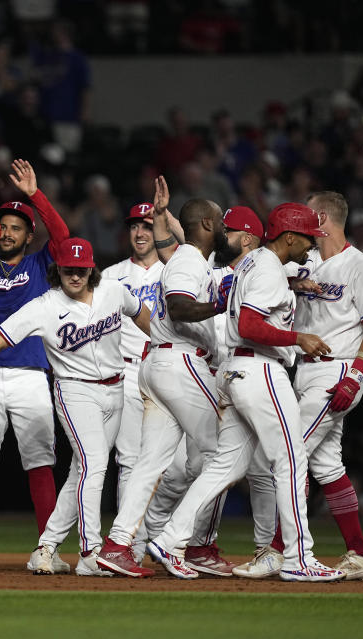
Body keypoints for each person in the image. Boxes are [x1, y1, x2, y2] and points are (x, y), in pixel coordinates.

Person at [146, 202, 346, 582]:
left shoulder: (254, 264)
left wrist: (291, 284)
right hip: (260, 369)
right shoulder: (267, 266)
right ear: (289, 236)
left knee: (226, 464)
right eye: (307, 239)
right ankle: (298, 557)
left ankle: (170, 538)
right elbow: (253, 324)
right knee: (291, 459)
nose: (310, 246)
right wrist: (297, 337)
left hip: (235, 371)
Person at [0, 237, 150, 577]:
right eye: (68, 270)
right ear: (57, 270)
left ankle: (45, 546)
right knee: (95, 465)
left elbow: (142, 314)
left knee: (81, 471)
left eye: (81, 270)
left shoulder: (113, 291)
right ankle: (91, 551)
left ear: (91, 269)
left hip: (116, 389)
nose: (75, 276)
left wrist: (163, 345)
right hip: (76, 392)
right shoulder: (44, 306)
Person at [236, 192, 363, 580]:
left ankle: (277, 550)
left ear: (320, 217)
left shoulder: (362, 266)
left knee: (288, 455)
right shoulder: (308, 261)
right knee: (326, 466)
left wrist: (355, 376)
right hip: (304, 370)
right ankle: (360, 553)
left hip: (336, 372)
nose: (301, 216)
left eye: (308, 210)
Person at [96, 198, 236, 578]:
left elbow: (179, 240)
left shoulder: (191, 258)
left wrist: (164, 218)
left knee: (149, 463)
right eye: (220, 222)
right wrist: (219, 305)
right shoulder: (189, 260)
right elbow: (178, 306)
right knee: (224, 452)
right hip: (182, 362)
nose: (225, 228)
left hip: (160, 363)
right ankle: (189, 545)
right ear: (208, 224)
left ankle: (117, 545)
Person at [0, 159, 68, 557]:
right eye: (3, 227)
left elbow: (62, 235)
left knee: (40, 460)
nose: (6, 233)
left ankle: (48, 545)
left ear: (29, 235)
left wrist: (33, 195)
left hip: (30, 375)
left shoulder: (41, 265)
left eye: (16, 228)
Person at [98, 200, 164, 563]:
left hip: (163, 372)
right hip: (125, 372)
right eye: (134, 226)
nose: (139, 232)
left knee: (173, 464)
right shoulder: (110, 275)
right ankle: (132, 546)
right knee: (129, 461)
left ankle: (166, 540)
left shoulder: (174, 269)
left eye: (147, 226)